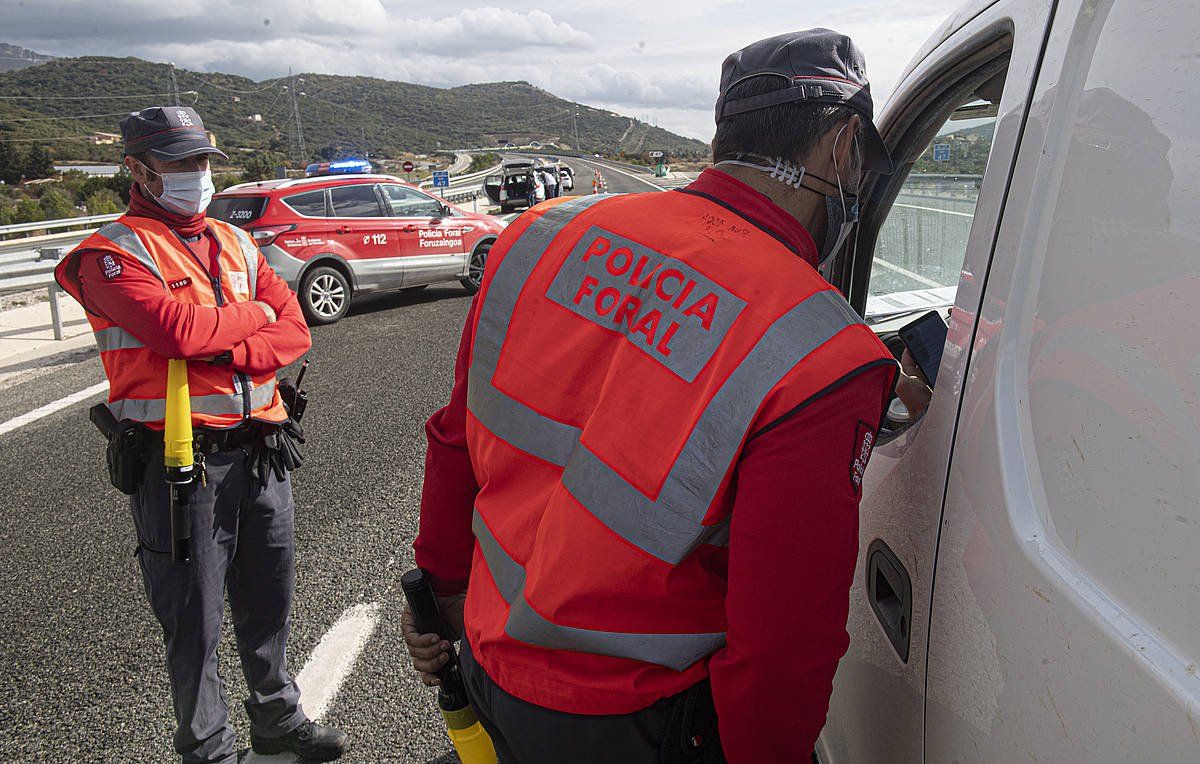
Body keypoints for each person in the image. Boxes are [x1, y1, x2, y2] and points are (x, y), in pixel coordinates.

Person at [403, 28, 900, 762]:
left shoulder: (540, 237)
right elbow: (781, 652)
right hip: (641, 724)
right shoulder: (824, 355)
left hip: (489, 667)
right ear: (842, 146)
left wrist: (445, 600)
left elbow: (455, 439)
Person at [54, 106, 348, 764]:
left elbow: (295, 328)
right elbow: (176, 334)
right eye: (179, 162)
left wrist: (229, 344)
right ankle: (209, 750)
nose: (196, 174)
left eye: (203, 161)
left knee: (269, 599)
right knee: (195, 622)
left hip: (264, 448)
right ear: (138, 169)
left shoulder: (237, 241)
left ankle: (276, 717)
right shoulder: (108, 254)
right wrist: (253, 319)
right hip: (181, 465)